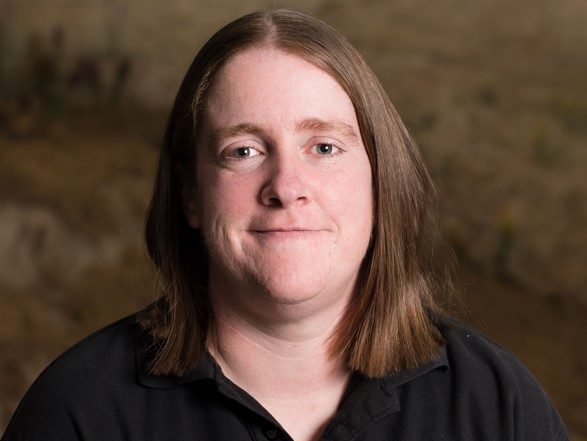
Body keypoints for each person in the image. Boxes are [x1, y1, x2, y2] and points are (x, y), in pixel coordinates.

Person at [2, 9, 569, 441]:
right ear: (191, 194)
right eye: (244, 151)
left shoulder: (498, 406)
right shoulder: (78, 412)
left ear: (379, 181)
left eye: (324, 147)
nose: (286, 186)